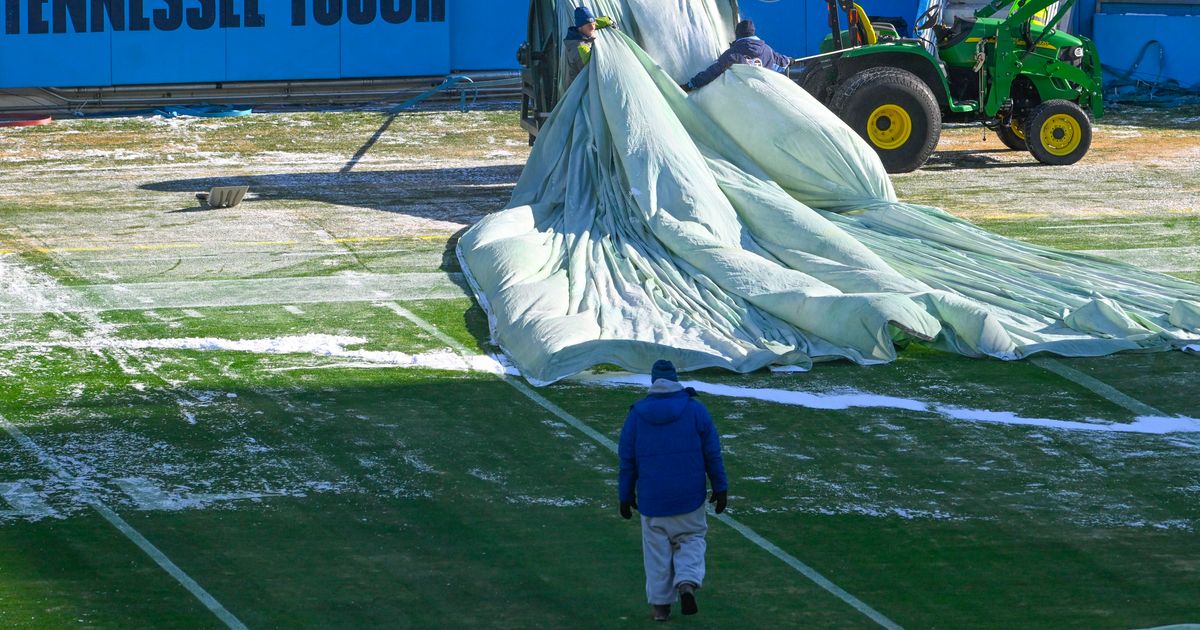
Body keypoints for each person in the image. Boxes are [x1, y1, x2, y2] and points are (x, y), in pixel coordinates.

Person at [618, 359, 729, 622]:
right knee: (691, 539)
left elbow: (627, 460)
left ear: (653, 381)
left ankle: (660, 608)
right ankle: (687, 582)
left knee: (657, 553)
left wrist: (625, 496)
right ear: (676, 379)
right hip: (689, 496)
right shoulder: (695, 410)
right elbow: (712, 453)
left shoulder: (637, 414)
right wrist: (720, 486)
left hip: (652, 500)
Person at [681, 20, 792, 92]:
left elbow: (712, 72)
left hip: (740, 100)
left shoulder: (732, 54)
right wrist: (791, 61)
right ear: (753, 33)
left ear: (738, 34)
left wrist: (690, 85)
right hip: (763, 97)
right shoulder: (768, 51)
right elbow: (782, 62)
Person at [562, 6, 617, 88]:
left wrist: (609, 21)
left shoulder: (584, 28)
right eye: (589, 25)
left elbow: (594, 23)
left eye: (593, 24)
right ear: (580, 28)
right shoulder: (579, 47)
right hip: (581, 88)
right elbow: (593, 69)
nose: (593, 28)